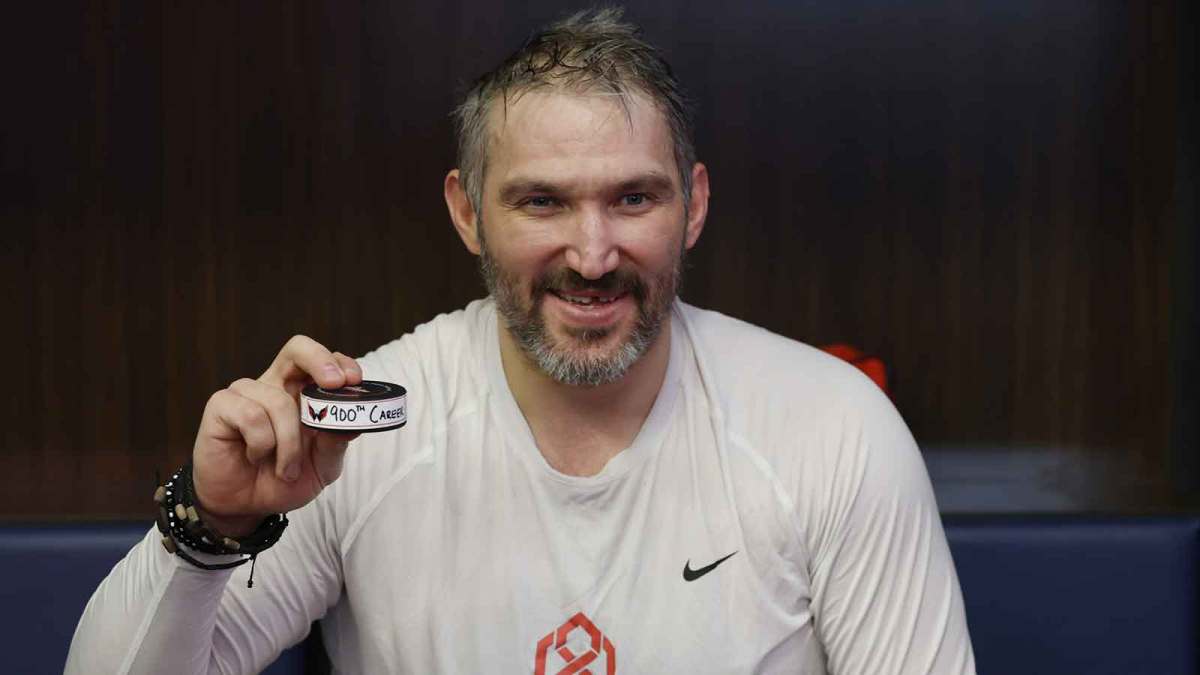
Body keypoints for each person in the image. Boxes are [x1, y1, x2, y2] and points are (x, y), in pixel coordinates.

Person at [67, 8, 975, 673]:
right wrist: (210, 523)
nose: (591, 254)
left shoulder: (831, 429)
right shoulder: (360, 439)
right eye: (541, 201)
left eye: (633, 198)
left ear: (693, 205)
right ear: (467, 211)